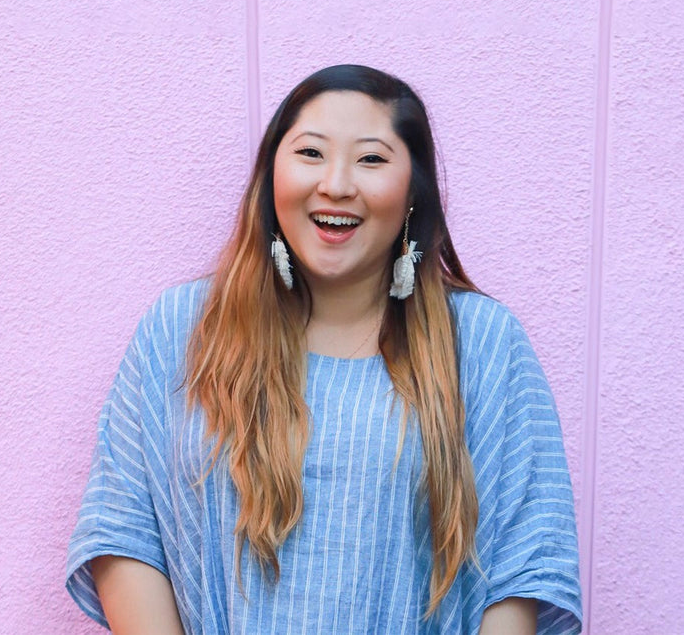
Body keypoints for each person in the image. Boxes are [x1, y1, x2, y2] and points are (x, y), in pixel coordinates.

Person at [65, 65, 582, 634]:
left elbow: (524, 562)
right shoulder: (182, 329)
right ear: (270, 176)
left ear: (413, 190)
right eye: (311, 153)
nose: (336, 183)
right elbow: (123, 530)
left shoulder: (483, 343)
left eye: (372, 159)